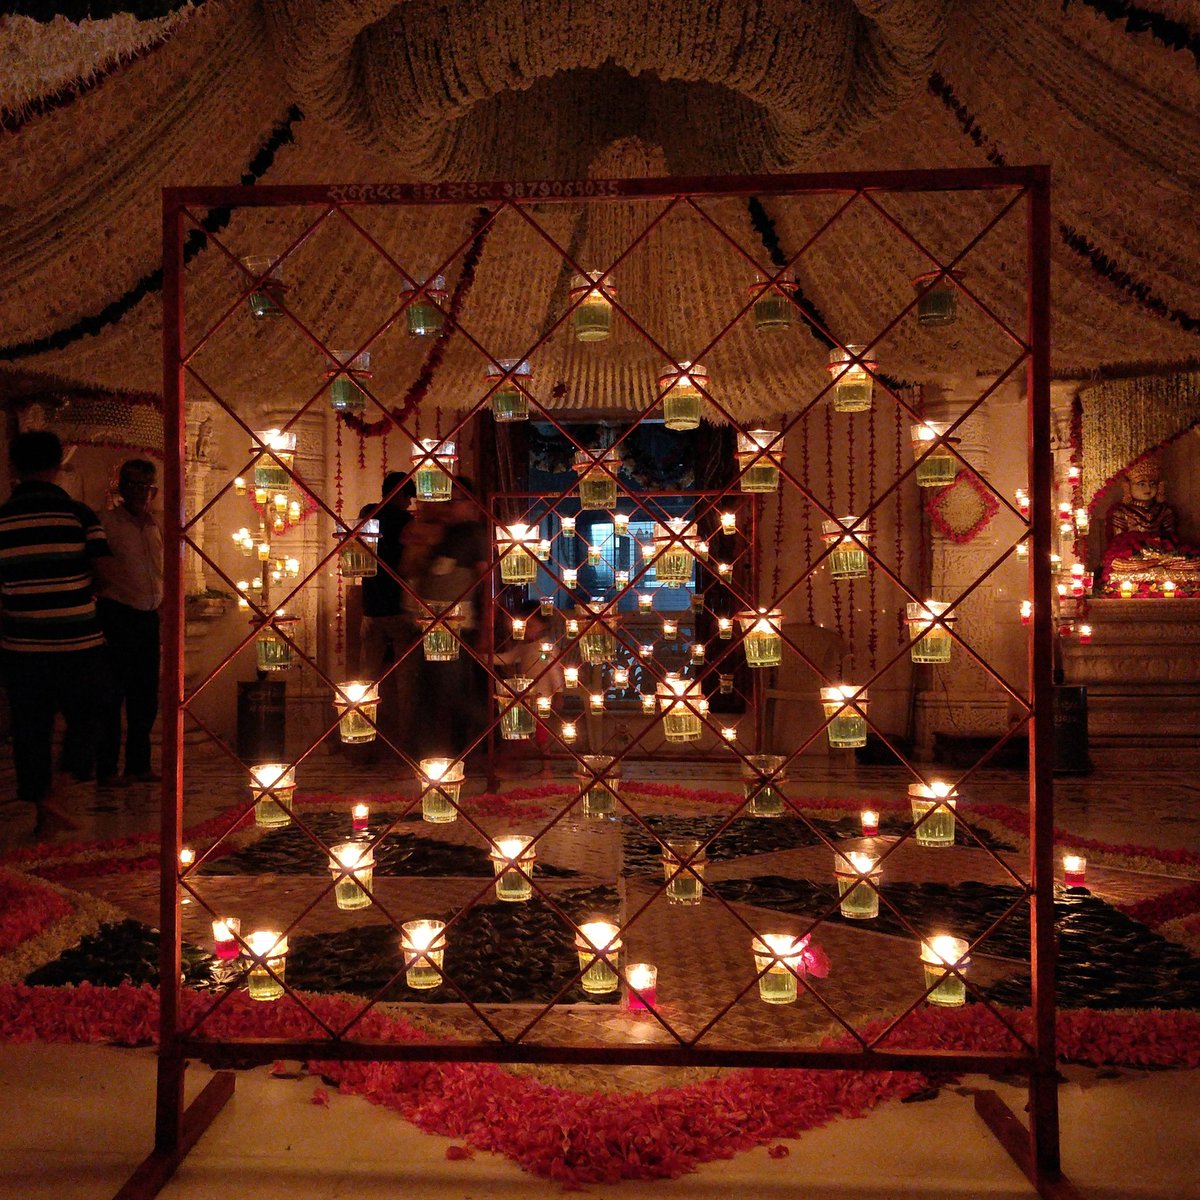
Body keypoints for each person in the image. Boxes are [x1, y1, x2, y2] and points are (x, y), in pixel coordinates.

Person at [0, 431, 112, 836]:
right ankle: (59, 790)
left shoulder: (2, 521)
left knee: (31, 727)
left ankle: (43, 808)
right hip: (79, 641)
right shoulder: (80, 516)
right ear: (58, 466)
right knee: (92, 714)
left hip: (21, 645)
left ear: (14, 468)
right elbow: (106, 576)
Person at [96, 459, 163, 788]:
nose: (140, 492)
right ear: (122, 487)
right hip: (117, 615)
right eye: (133, 484)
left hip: (148, 617)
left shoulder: (155, 526)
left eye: (146, 486)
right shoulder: (107, 523)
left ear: (154, 490)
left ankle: (138, 766)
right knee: (111, 696)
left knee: (145, 697)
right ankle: (107, 770)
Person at [412, 477, 490, 758]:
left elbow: (486, 581)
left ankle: (492, 741)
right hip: (430, 624)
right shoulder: (445, 533)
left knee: (455, 691)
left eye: (453, 501)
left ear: (469, 504)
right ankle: (434, 753)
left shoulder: (474, 534)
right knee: (430, 691)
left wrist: (486, 627)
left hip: (457, 626)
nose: (447, 507)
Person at [358, 473, 422, 754]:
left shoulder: (367, 514)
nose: (409, 503)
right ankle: (405, 747)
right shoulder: (407, 523)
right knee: (406, 685)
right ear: (399, 495)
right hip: (399, 610)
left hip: (371, 608)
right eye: (408, 497)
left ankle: (361, 746)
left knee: (366, 684)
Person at [1100, 455, 1200, 593]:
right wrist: (1142, 552)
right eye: (1141, 483)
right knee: (1118, 563)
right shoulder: (1120, 512)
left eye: (1152, 484)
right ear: (1128, 486)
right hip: (1136, 555)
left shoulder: (1165, 510)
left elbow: (1172, 538)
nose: (1148, 488)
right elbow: (1118, 542)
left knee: (1194, 560)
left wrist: (1161, 552)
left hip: (1163, 554)